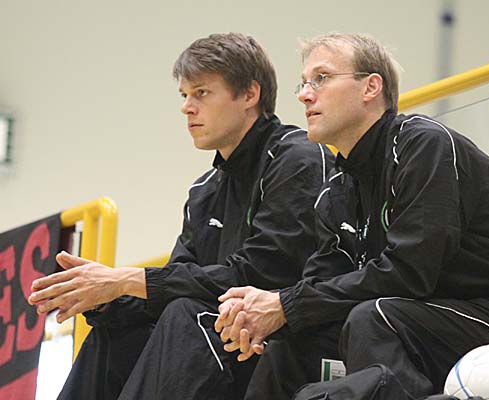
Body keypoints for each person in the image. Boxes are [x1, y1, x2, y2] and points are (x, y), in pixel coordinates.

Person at [215, 33, 489, 399]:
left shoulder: (423, 145)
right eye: (304, 83)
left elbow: (410, 273)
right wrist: (264, 314)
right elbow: (322, 286)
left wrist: (287, 304)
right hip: (431, 317)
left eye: (322, 78)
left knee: (373, 318)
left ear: (370, 87)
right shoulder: (335, 191)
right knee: (290, 345)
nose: (304, 94)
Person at [28, 33, 334, 400]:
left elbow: (263, 275)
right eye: (184, 95)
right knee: (116, 331)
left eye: (201, 93)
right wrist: (104, 297)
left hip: (281, 342)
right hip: (221, 343)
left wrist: (126, 279)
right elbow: (176, 281)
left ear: (249, 94)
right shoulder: (205, 189)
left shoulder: (297, 157)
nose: (187, 107)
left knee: (185, 314)